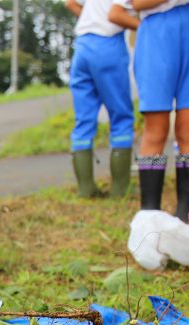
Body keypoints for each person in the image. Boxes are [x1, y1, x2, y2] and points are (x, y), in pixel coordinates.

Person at [119, 0, 189, 221]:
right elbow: (137, 3)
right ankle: (149, 213)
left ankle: (188, 215)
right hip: (155, 33)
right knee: (156, 129)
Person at [64, 0, 139, 198]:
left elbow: (70, 3)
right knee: (121, 116)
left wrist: (92, 20)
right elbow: (115, 15)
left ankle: (85, 189)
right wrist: (145, 27)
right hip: (108, 45)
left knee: (84, 119)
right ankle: (120, 188)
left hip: (82, 46)